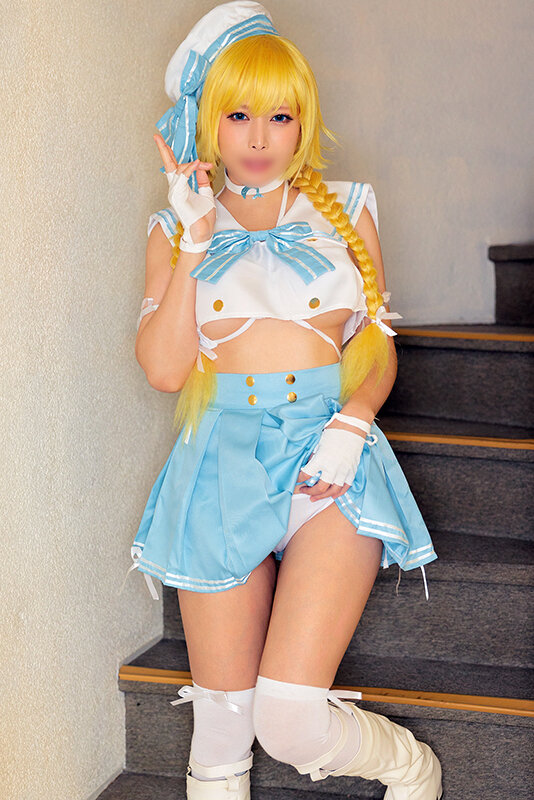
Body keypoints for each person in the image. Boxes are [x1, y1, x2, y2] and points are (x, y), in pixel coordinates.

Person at [124, 2, 442, 798]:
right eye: (238, 115)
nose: (260, 137)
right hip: (220, 462)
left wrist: (354, 421)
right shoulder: (173, 226)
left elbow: (378, 345)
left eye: (279, 115)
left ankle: (412, 767)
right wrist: (196, 241)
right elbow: (164, 371)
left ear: (304, 122)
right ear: (209, 121)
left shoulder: (350, 205)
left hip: (328, 454)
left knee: (290, 720)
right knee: (221, 728)